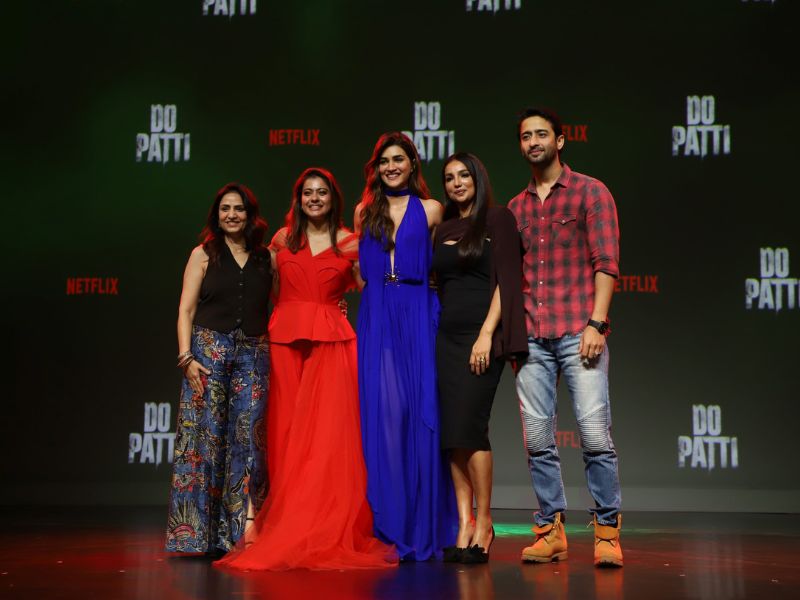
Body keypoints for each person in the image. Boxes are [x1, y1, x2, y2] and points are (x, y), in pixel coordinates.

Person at [216, 168, 397, 570]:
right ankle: (282, 521)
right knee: (285, 434)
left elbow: (370, 288)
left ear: (333, 199)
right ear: (298, 200)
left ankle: (322, 525)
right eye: (308, 193)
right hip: (284, 341)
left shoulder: (350, 242)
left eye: (322, 193)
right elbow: (270, 289)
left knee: (327, 438)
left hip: (331, 344)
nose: (315, 199)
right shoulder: (283, 240)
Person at [508, 107, 623, 567]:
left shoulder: (591, 192)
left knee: (594, 436)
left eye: (541, 134)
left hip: (579, 331)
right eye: (526, 136)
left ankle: (607, 533)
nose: (533, 142)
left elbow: (606, 262)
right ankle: (550, 530)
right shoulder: (516, 208)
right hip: (531, 338)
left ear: (560, 140)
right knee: (538, 440)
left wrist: (597, 323)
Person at [355, 132, 458, 561]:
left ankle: (423, 522)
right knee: (386, 416)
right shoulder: (365, 211)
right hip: (378, 313)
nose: (391, 167)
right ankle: (388, 523)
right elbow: (358, 270)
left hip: (418, 312)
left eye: (398, 159)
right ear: (376, 169)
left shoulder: (432, 209)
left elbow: (443, 265)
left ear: (413, 164)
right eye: (384, 161)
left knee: (422, 414)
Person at [166, 183, 272, 555]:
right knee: (204, 441)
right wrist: (186, 357)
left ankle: (241, 533)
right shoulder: (203, 254)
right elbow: (186, 310)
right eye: (225, 208)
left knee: (248, 442)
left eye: (239, 208)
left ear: (250, 214)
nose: (232, 215)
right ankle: (197, 536)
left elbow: (285, 301)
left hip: (253, 354)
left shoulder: (266, 257)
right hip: (208, 353)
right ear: (217, 215)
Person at [432, 153, 528, 563]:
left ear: (478, 179)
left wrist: (487, 334)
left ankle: (485, 522)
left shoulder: (498, 219)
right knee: (452, 433)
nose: (456, 183)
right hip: (446, 338)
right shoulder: (443, 228)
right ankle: (464, 523)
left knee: (471, 428)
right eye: (449, 178)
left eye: (464, 175)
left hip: (482, 335)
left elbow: (508, 278)